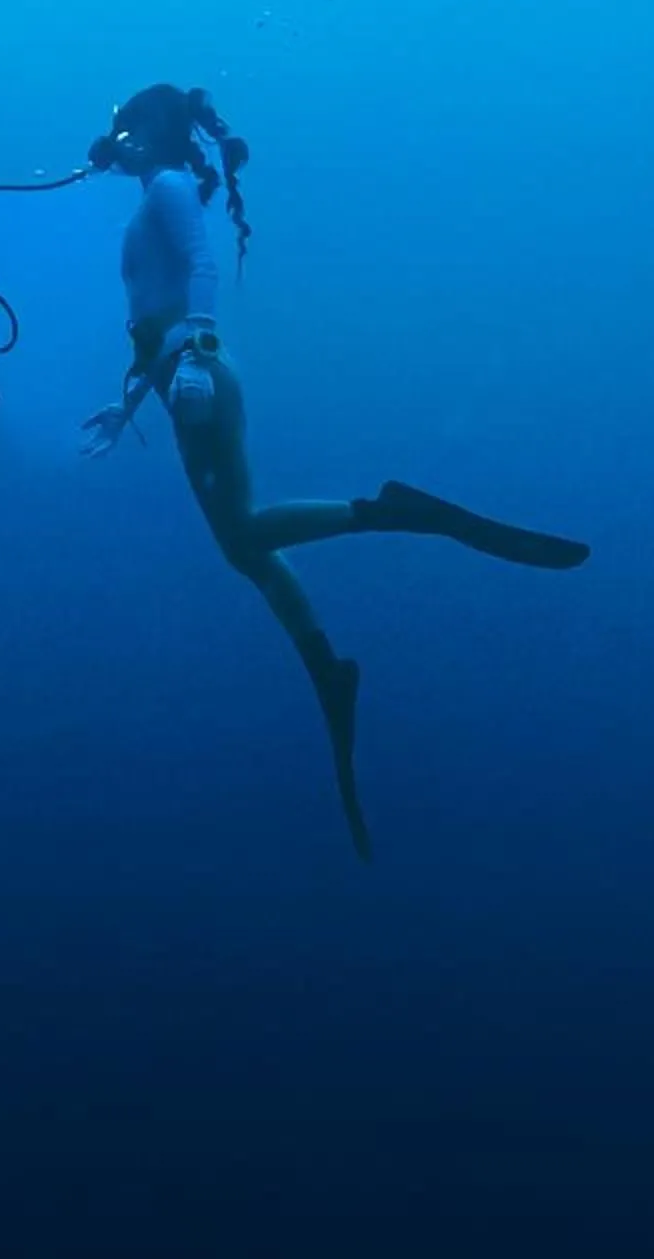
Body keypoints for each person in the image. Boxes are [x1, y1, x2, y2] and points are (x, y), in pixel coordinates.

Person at [81, 83, 589, 861]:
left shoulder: (175, 186)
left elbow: (201, 266)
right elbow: (152, 312)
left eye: (127, 125)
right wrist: (128, 407)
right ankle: (325, 663)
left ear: (155, 131)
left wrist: (199, 351)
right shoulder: (153, 194)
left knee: (243, 533)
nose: (116, 137)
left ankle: (394, 515)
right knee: (243, 547)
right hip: (182, 369)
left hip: (198, 368)